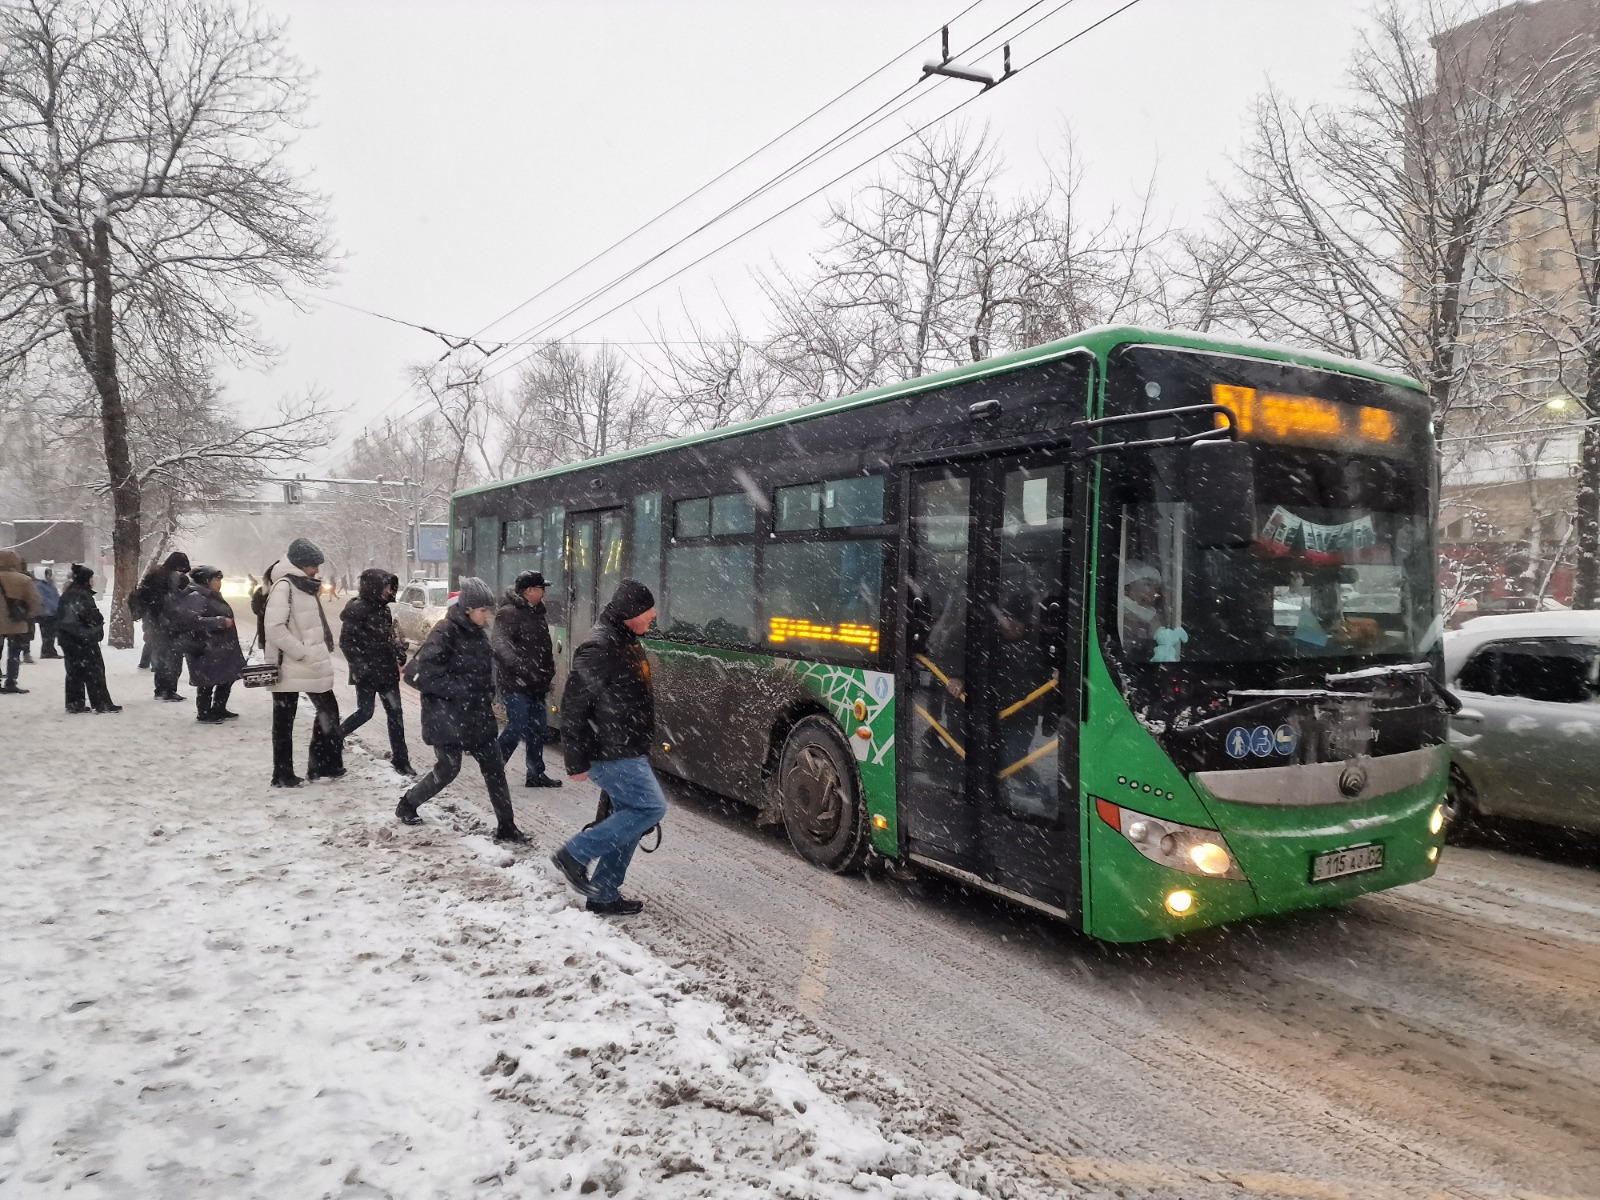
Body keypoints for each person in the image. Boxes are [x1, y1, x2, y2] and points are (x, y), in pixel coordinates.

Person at [549, 580, 665, 916]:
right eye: (648, 611)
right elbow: (574, 704)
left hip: (626, 745)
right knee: (649, 809)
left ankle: (603, 893)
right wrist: (575, 760)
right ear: (631, 614)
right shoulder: (600, 646)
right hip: (610, 748)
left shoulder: (623, 639)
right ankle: (574, 854)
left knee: (628, 817)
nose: (653, 616)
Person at [396, 576, 526, 842]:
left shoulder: (478, 634)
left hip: (476, 715)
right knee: (448, 769)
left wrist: (488, 691)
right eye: (483, 610)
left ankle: (507, 827)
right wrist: (463, 688)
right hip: (447, 717)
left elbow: (483, 671)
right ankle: (408, 803)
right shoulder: (444, 632)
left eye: (489, 610)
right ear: (468, 608)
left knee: (494, 768)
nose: (487, 615)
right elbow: (422, 675)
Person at [263, 538, 344, 787]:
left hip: (309, 664)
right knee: (285, 721)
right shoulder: (284, 586)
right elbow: (274, 628)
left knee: (328, 712)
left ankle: (320, 766)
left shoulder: (303, 586)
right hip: (291, 663)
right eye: (313, 565)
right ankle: (283, 774)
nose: (317, 570)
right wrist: (302, 653)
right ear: (300, 565)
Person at [338, 568, 414, 776]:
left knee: (395, 715)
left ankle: (401, 760)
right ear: (374, 587)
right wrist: (360, 666)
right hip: (367, 673)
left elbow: (386, 639)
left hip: (387, 671)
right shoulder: (357, 610)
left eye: (391, 587)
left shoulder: (384, 610)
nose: (390, 591)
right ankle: (336, 736)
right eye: (387, 587)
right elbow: (346, 643)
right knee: (366, 712)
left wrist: (398, 651)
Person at [492, 570, 561, 788]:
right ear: (530, 591)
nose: (544, 593)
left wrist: (546, 672)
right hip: (516, 684)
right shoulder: (509, 613)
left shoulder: (536, 612)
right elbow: (500, 645)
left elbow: (542, 648)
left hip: (536, 683)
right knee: (518, 726)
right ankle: (493, 768)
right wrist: (522, 668)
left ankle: (535, 774)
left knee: (536, 729)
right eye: (542, 589)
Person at [172, 565, 245, 723]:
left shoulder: (211, 595)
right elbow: (189, 621)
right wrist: (220, 622)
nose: (219, 583)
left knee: (226, 678)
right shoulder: (196, 596)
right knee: (207, 682)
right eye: (216, 580)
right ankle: (204, 713)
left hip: (220, 647)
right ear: (206, 580)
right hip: (206, 648)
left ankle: (219, 708)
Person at [55, 563, 120, 714]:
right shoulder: (82, 595)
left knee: (74, 672)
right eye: (91, 578)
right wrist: (98, 620)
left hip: (68, 638)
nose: (93, 581)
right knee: (94, 671)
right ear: (85, 579)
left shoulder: (69, 593)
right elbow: (89, 617)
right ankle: (101, 703)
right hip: (83, 638)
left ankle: (75, 704)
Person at [132, 551, 192, 701]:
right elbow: (176, 602)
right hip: (169, 624)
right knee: (173, 659)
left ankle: (160, 689)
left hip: (154, 623)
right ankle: (169, 691)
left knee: (161, 658)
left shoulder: (154, 575)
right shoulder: (173, 579)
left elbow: (150, 600)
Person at [0, 549, 43, 695]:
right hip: (16, 622)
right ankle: (11, 682)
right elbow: (35, 601)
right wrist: (28, 615)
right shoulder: (23, 579)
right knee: (14, 653)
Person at [34, 566, 60, 659]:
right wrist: (54, 606)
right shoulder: (38, 585)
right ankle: (46, 651)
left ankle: (50, 650)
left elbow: (55, 596)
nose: (50, 576)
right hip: (45, 612)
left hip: (53, 612)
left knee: (52, 633)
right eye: (47, 574)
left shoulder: (50, 584)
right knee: (47, 633)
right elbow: (43, 598)